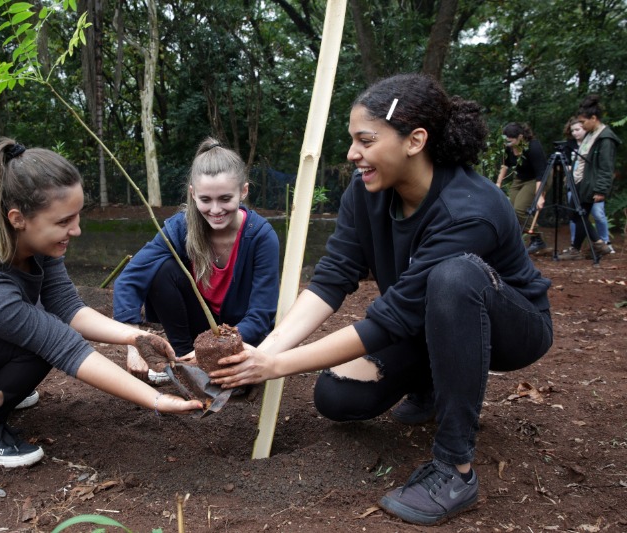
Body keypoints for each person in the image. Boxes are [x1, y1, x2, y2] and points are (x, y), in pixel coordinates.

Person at [210, 74, 553, 526]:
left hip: (512, 325)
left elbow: (389, 320)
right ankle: (433, 382)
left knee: (454, 277)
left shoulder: (472, 209)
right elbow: (333, 277)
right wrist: (267, 351)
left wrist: (276, 367)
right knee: (336, 398)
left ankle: (455, 468)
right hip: (424, 321)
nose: (353, 154)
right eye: (352, 141)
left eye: (365, 140)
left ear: (415, 141)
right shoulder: (365, 191)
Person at [0, 139, 202, 468]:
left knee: (42, 324)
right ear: (18, 218)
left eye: (77, 217)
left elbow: (67, 307)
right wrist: (157, 399)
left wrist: (135, 335)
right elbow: (64, 346)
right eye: (63, 222)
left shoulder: (34, 243)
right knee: (38, 338)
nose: (75, 231)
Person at [113, 137, 279, 381]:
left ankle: (204, 364)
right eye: (205, 200)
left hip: (243, 335)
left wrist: (213, 350)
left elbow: (261, 315)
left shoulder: (261, 237)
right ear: (193, 194)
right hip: (199, 331)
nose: (215, 210)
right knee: (161, 270)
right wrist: (134, 343)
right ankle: (183, 361)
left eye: (225, 199)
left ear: (243, 191)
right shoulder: (181, 227)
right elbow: (129, 279)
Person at [559, 95, 621, 260]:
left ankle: (600, 244)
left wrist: (601, 189)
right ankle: (576, 249)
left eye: (584, 121)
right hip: (581, 181)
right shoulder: (591, 134)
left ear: (594, 118)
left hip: (591, 184)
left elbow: (606, 166)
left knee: (577, 214)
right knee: (579, 214)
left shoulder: (605, 138)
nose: (582, 125)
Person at [495, 122, 548, 254]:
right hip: (520, 179)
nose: (507, 143)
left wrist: (539, 196)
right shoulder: (509, 147)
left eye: (510, 140)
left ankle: (538, 239)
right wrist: (498, 184)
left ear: (520, 137)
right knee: (510, 210)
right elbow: (505, 165)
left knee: (520, 209)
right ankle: (516, 242)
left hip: (536, 179)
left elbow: (541, 172)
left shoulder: (533, 147)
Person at [562, 117, 587, 246]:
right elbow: (566, 163)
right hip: (573, 182)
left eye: (578, 129)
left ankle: (604, 241)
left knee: (597, 214)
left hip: (587, 183)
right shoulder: (568, 145)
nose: (575, 133)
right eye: (573, 130)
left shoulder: (590, 143)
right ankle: (574, 243)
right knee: (573, 213)